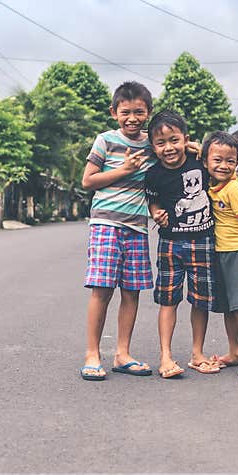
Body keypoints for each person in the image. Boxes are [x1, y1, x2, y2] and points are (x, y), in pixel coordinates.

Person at [79, 81, 156, 381]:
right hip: (106, 224)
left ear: (148, 112)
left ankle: (122, 353)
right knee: (102, 289)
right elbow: (88, 180)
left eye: (139, 112)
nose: (133, 118)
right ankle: (92, 354)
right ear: (114, 112)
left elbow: (176, 148)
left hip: (137, 227)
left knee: (132, 291)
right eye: (126, 112)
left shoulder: (152, 143)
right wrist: (123, 171)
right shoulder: (105, 140)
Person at [145, 110, 221, 379]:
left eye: (174, 140)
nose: (169, 148)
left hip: (203, 241)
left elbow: (220, 165)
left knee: (200, 299)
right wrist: (156, 213)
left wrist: (198, 148)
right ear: (152, 146)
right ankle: (165, 356)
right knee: (168, 300)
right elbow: (153, 201)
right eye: (161, 142)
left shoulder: (199, 162)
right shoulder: (153, 175)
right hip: (170, 243)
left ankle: (197, 353)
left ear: (185, 140)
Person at [203, 131, 238, 379]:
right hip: (219, 253)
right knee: (227, 307)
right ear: (205, 161)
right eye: (217, 160)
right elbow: (196, 149)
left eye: (230, 161)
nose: (224, 165)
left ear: (237, 163)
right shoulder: (211, 186)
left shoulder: (235, 190)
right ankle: (233, 352)